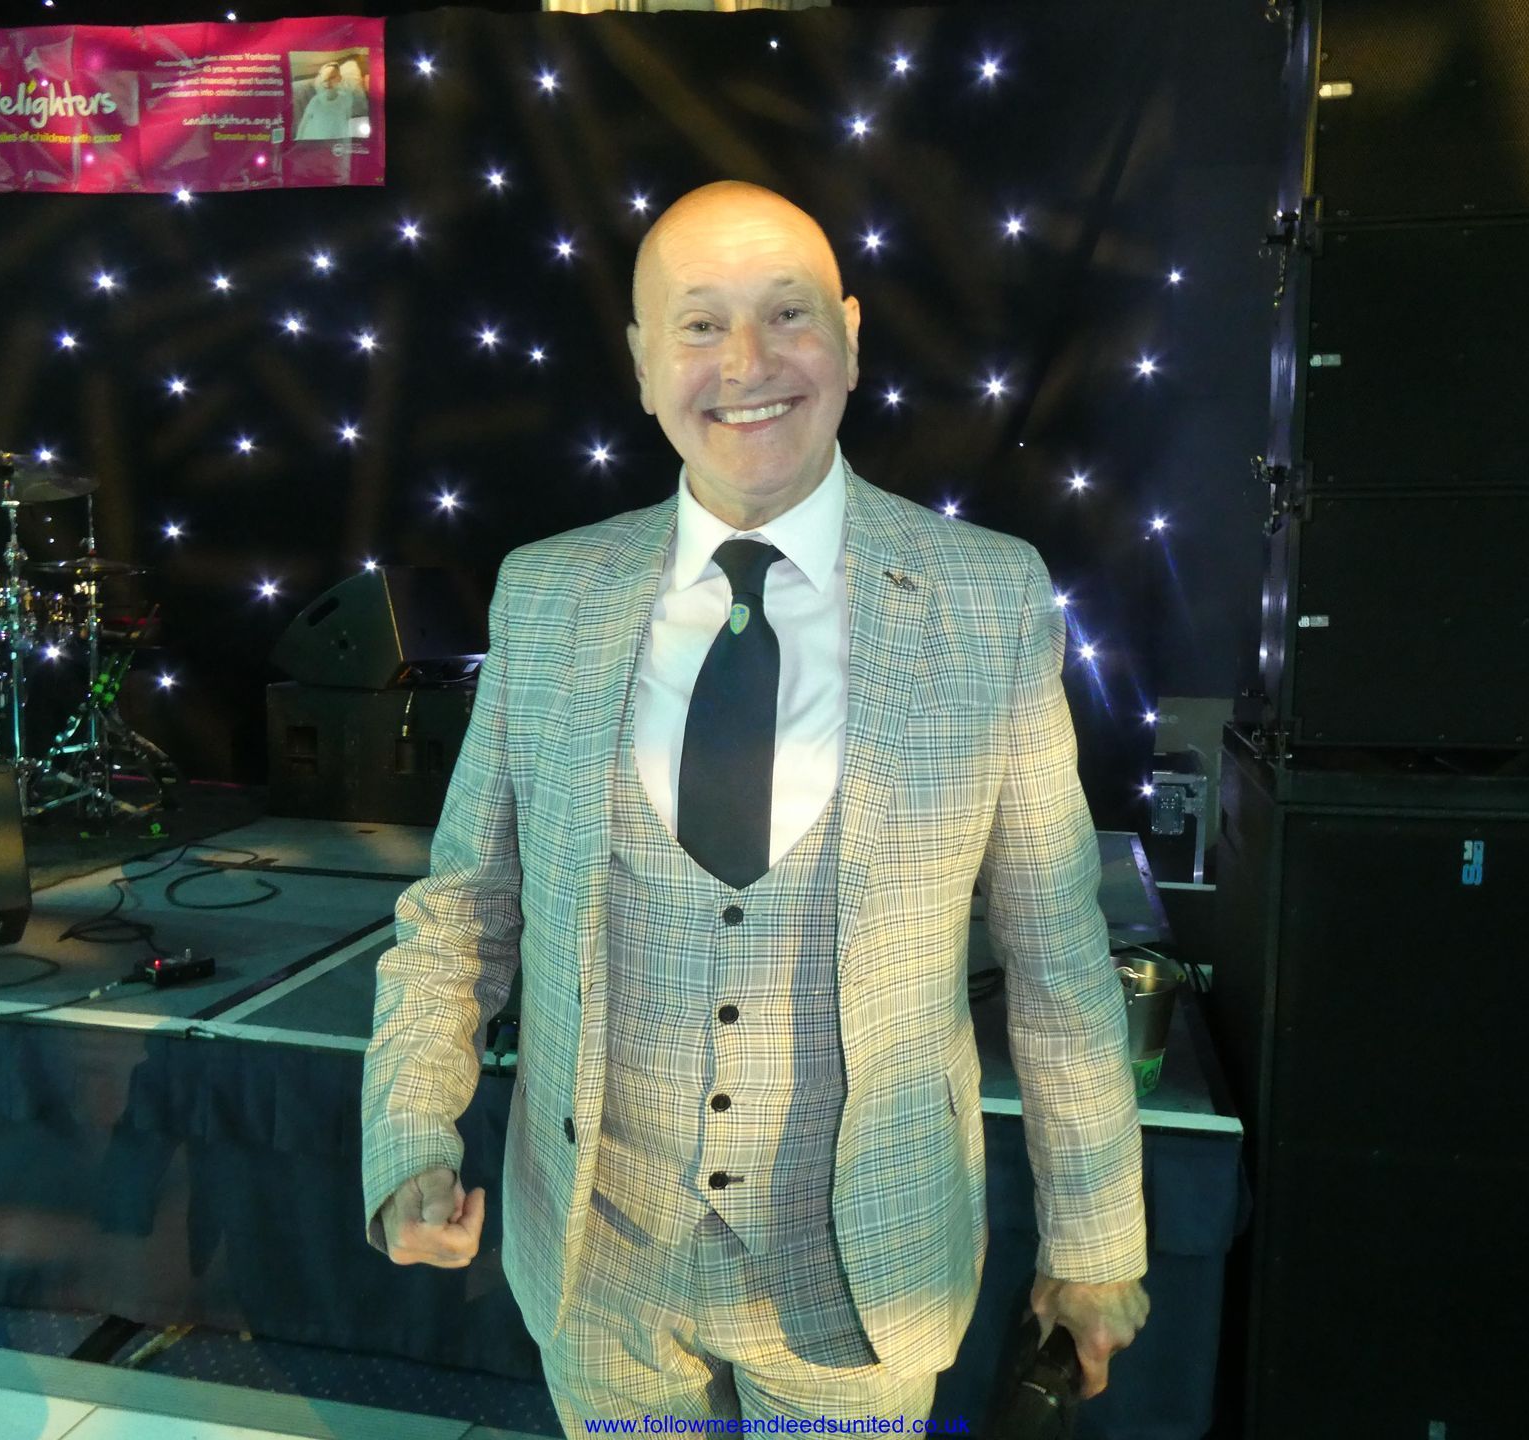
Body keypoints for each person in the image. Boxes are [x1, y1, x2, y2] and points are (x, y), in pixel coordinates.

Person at [362, 180, 1148, 1428]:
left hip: (870, 1274)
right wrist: (410, 1135)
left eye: (787, 314)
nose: (746, 364)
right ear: (641, 364)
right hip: (598, 1270)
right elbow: (458, 918)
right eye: (698, 324)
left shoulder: (990, 598)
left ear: (849, 337)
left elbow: (1058, 958)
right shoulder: (546, 596)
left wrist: (1095, 1242)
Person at [293, 62, 351, 142]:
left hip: (336, 140)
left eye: (332, 78)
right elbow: (304, 123)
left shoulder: (345, 98)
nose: (328, 83)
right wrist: (298, 140)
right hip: (315, 140)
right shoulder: (316, 101)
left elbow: (347, 121)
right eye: (325, 80)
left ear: (340, 78)